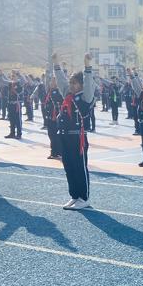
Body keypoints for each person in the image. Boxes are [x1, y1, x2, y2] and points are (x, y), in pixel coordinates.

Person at [54, 52, 95, 210]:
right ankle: (75, 196)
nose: (71, 86)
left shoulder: (85, 97)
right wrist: (56, 65)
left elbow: (89, 84)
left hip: (78, 139)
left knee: (79, 167)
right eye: (71, 83)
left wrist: (87, 67)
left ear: (81, 85)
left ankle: (84, 198)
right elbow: (61, 82)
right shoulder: (67, 96)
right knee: (69, 167)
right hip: (65, 138)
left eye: (75, 83)